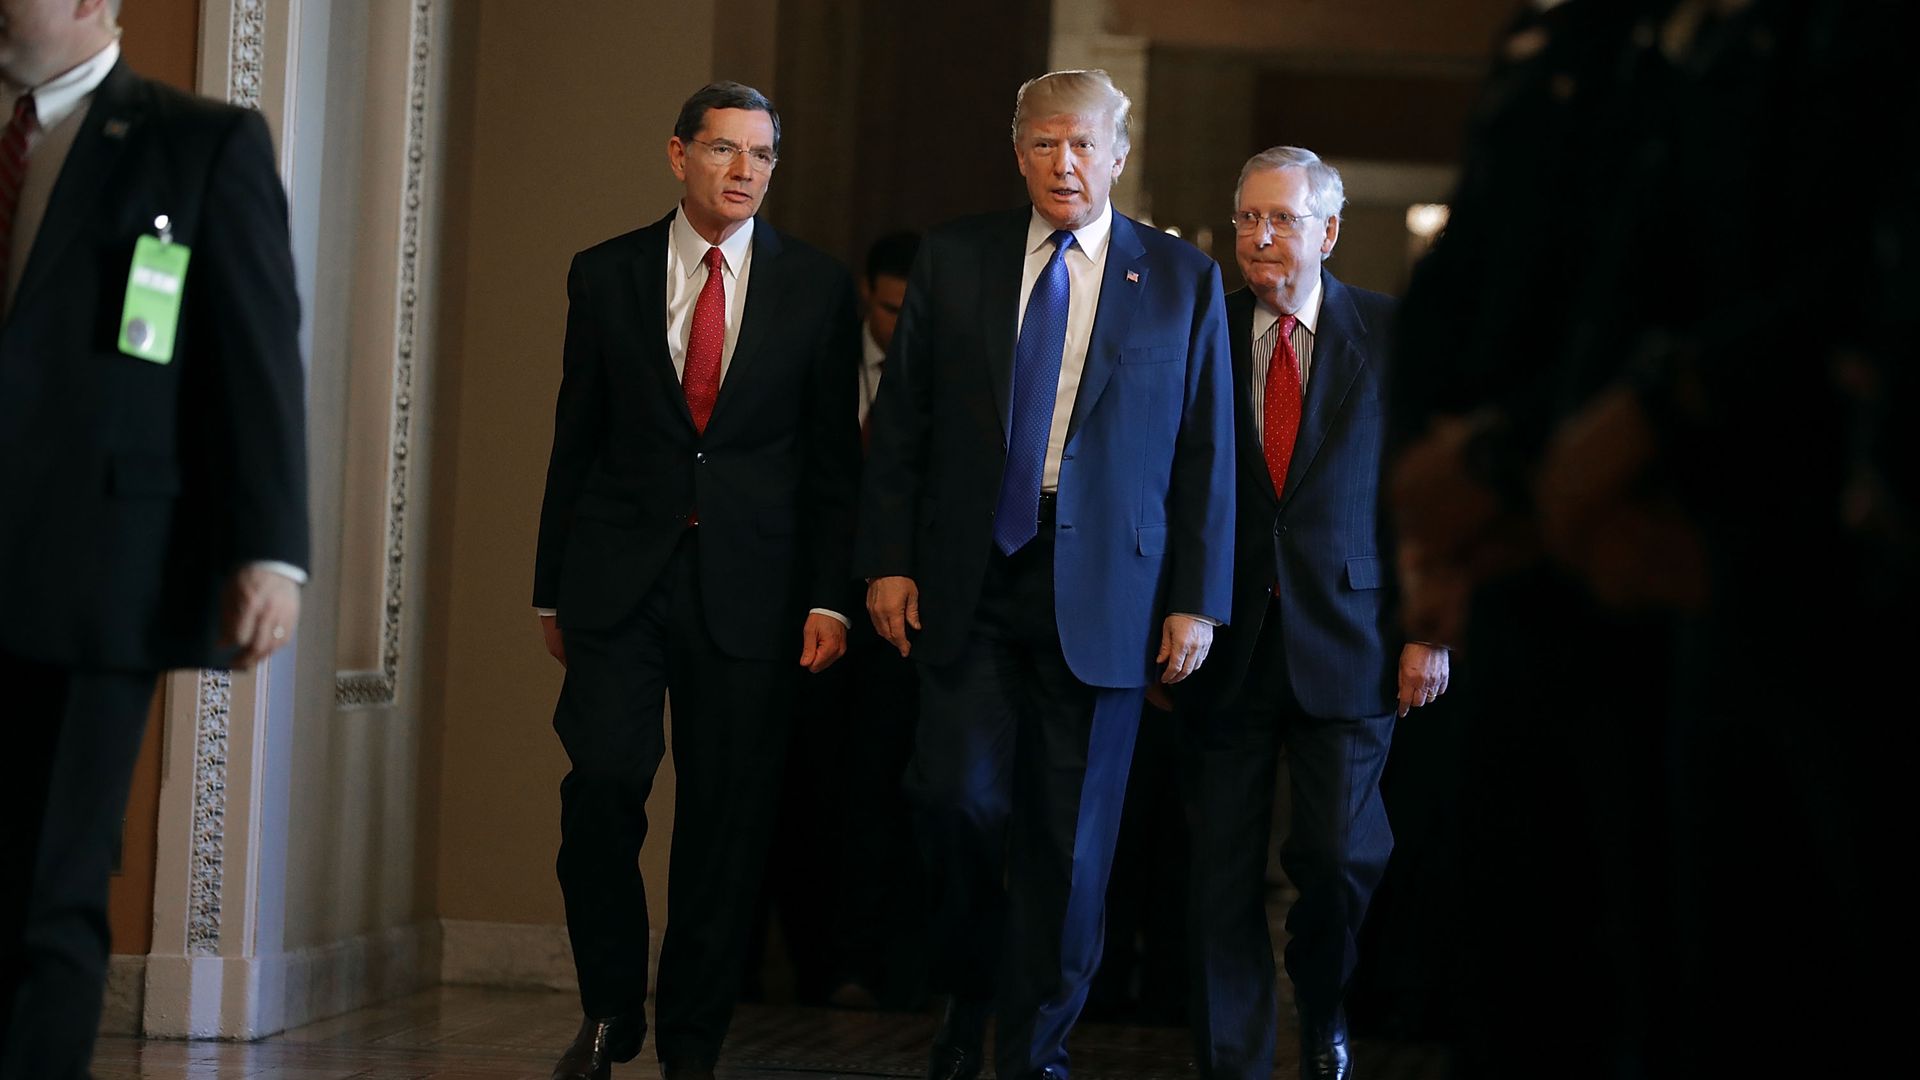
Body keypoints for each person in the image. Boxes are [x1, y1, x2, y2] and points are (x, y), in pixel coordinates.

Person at [856, 68, 1234, 1080]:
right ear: (1016, 152)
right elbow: (902, 427)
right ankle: (969, 986)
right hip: (971, 577)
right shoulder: (957, 258)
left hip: (1110, 588)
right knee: (956, 800)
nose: (1064, 164)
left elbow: (1207, 453)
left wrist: (1198, 596)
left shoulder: (1183, 280)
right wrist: (887, 562)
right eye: (1043, 144)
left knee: (1071, 850)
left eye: (1083, 145)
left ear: (1119, 154)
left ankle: (1035, 1054)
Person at [0, 1, 308, 1077]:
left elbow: (255, 352)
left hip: (95, 572)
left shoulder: (198, 142)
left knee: (52, 886)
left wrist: (270, 548)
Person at [531, 80, 861, 1080]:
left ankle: (691, 1043)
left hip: (754, 592)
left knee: (723, 824)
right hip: (617, 581)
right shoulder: (605, 274)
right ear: (680, 157)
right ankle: (606, 1008)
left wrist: (828, 593)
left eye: (762, 154)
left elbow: (832, 463)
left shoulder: (816, 286)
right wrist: (551, 587)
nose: (747, 171)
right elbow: (573, 439)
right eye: (725, 150)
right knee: (604, 786)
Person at [1176, 147, 1447, 1080]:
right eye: (1249, 217)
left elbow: (1427, 488)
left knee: (1337, 859)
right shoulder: (1202, 325)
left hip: (1358, 635)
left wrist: (1430, 626)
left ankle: (1324, 1006)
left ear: (1327, 232)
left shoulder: (1392, 332)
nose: (1259, 235)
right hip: (1225, 638)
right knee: (1220, 874)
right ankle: (1234, 1059)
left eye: (1281, 219)